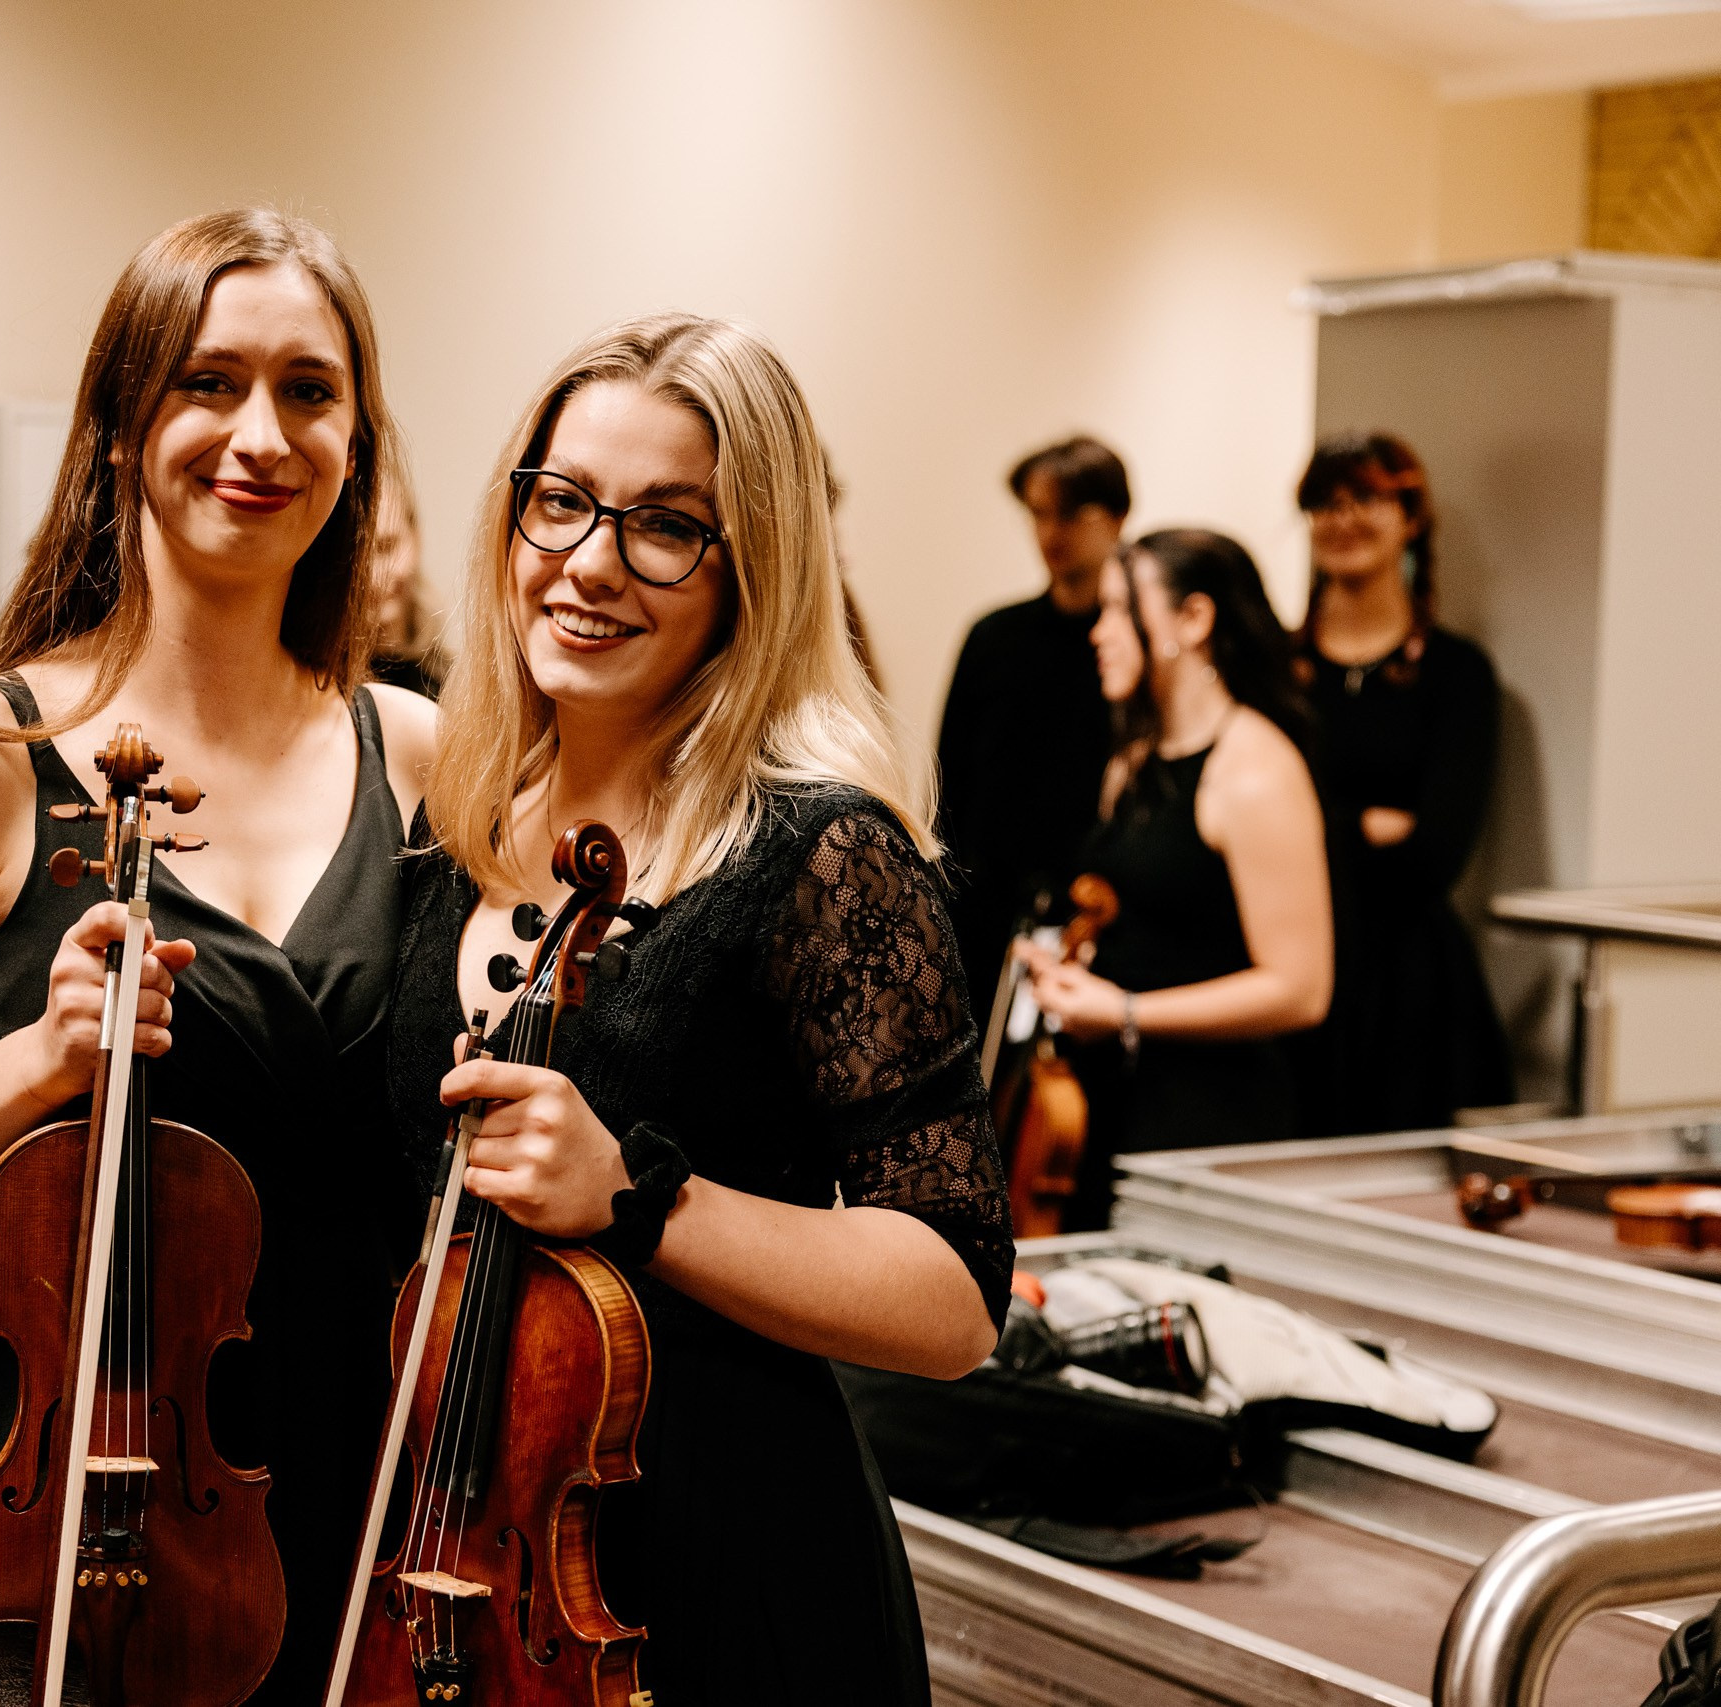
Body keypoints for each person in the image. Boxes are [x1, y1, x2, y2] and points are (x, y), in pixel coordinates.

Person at [0, 209, 436, 1707]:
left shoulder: (425, 757)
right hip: (61, 1521)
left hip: (348, 1504)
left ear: (357, 439)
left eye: (311, 391)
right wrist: (34, 1071)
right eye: (209, 380)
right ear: (126, 421)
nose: (261, 433)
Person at [390, 313, 1008, 1703]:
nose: (590, 562)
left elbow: (957, 1297)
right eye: (560, 503)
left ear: (755, 570)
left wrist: (642, 1200)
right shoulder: (455, 832)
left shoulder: (821, 851)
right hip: (460, 1568)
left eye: (665, 525)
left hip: (730, 1573)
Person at [1024, 528, 1332, 1229]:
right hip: (1116, 1106)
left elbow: (1300, 988)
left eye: (1116, 609)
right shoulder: (1132, 761)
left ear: (1193, 619)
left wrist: (1125, 1013)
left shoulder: (1254, 769)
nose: (1098, 632)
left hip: (1208, 1122)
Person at [1287, 433, 1514, 1134]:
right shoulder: (1276, 668)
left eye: (1367, 499)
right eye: (1325, 503)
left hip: (1409, 990)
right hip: (1296, 961)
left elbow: (1436, 853)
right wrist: (1367, 824)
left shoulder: (1458, 673)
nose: (1343, 518)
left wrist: (1316, 824)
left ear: (1411, 518)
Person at [935, 436, 1129, 1013]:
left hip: (1097, 912)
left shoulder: (1131, 649)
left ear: (1117, 516)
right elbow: (949, 782)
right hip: (989, 911)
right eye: (1039, 514)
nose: (1051, 533)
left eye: (1071, 513)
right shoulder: (994, 636)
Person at [366, 457, 446, 697]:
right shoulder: (312, 690)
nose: (372, 575)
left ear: (416, 539)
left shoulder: (458, 687)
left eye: (386, 546)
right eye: (354, 557)